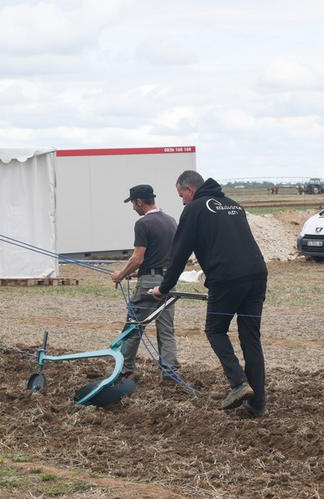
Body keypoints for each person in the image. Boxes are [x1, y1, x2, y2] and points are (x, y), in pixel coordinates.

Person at [151, 171, 268, 417]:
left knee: (215, 329)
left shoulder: (194, 210)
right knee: (250, 338)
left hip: (226, 278)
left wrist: (163, 288)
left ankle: (239, 384)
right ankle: (257, 406)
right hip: (257, 274)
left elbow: (179, 254)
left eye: (181, 194)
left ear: (189, 189)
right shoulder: (234, 205)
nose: (181, 200)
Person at [110, 184, 179, 381]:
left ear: (139, 201)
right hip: (169, 281)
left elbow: (137, 258)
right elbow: (161, 257)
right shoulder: (170, 221)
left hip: (149, 283)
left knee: (134, 324)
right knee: (166, 328)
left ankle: (123, 369)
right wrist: (136, 273)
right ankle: (170, 372)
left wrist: (121, 275)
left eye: (132, 203)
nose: (133, 207)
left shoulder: (143, 224)